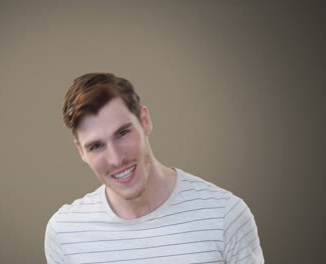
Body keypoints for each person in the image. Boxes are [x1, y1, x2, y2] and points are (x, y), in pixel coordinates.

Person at [44, 73, 264, 264]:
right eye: (96, 146)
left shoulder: (225, 216)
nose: (115, 159)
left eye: (122, 133)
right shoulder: (64, 232)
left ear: (145, 121)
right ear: (81, 151)